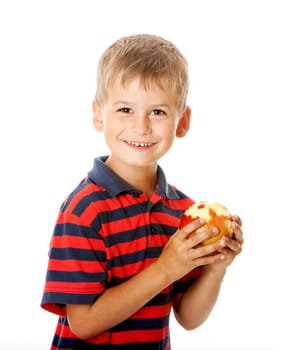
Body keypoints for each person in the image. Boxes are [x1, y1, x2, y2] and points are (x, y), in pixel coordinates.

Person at [41, 34, 243, 350]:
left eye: (158, 112)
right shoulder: (84, 210)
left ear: (182, 121)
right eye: (125, 109)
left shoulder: (182, 210)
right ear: (98, 114)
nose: (141, 126)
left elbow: (189, 317)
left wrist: (216, 266)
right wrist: (165, 269)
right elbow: (82, 324)